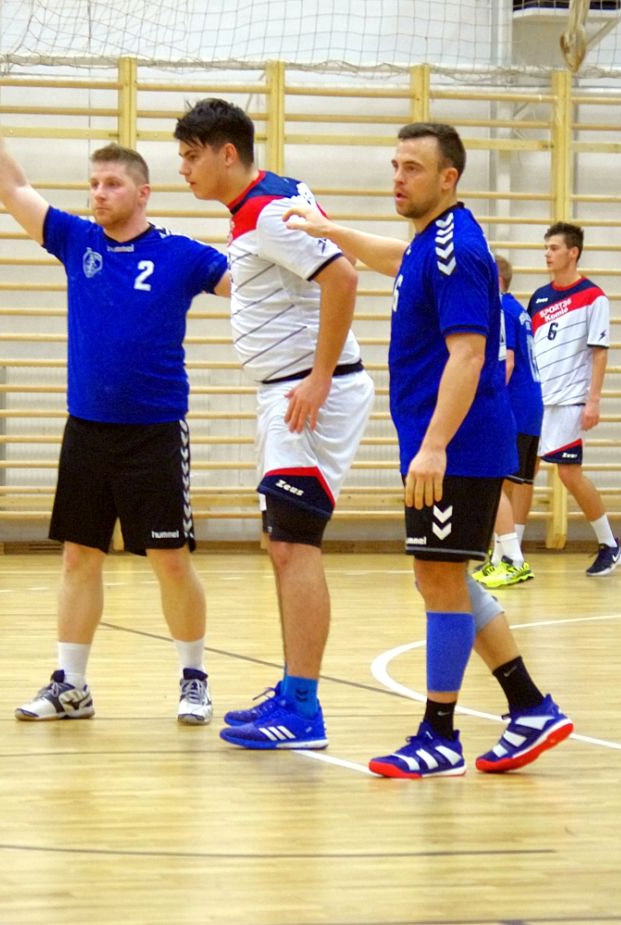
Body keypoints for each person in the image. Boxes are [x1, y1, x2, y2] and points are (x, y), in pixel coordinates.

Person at [283, 123, 572, 777]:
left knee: (439, 578)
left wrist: (435, 445)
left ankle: (439, 734)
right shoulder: (429, 241)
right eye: (395, 165)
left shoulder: (456, 249)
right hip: (446, 441)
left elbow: (468, 356)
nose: (397, 177)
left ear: (448, 177)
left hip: (458, 445)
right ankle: (530, 707)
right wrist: (330, 231)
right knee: (441, 576)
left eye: (412, 167)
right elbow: (396, 258)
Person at [0, 54, 231, 723]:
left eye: (113, 184)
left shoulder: (182, 254)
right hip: (86, 428)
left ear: (144, 193)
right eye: (93, 184)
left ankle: (194, 678)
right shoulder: (75, 240)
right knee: (78, 557)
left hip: (155, 432)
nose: (99, 194)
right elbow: (12, 185)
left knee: (170, 559)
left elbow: (250, 289)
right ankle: (71, 686)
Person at [174, 98, 375, 750]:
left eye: (192, 155)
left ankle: (305, 708)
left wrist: (319, 376)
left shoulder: (266, 212)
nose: (184, 169)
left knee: (294, 546)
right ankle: (293, 690)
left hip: (307, 394)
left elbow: (343, 279)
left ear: (227, 153)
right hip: (289, 391)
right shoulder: (267, 199)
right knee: (282, 543)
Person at [527, 222, 621, 576]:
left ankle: (610, 545)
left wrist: (593, 401)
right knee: (521, 474)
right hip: (537, 400)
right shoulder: (538, 298)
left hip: (569, 400)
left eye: (553, 248)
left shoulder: (593, 297)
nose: (547, 254)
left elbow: (599, 352)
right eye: (546, 248)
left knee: (569, 474)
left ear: (573, 252)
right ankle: (508, 554)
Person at [474, 254, 541, 589]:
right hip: (531, 408)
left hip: (513, 407)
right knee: (509, 485)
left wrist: (486, 399)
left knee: (493, 481)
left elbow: (508, 362)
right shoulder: (519, 310)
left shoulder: (499, 307)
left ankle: (513, 558)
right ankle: (500, 558)